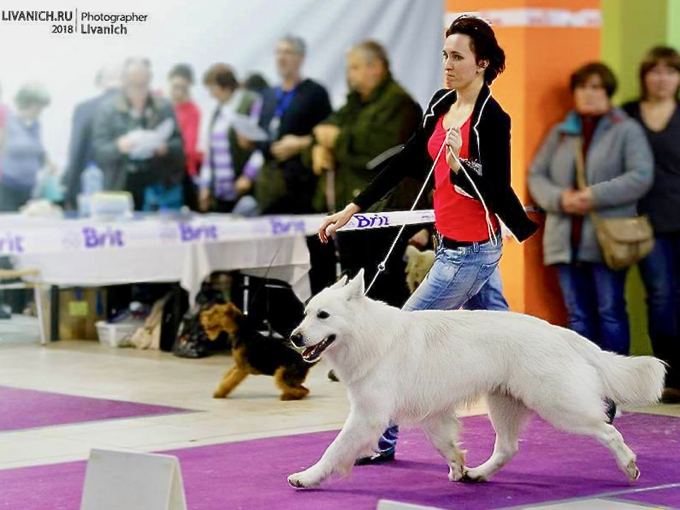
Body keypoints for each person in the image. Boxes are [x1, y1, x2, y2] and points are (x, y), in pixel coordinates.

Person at [318, 15, 537, 464]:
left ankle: (380, 441)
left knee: (398, 341)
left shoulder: (492, 119)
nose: (448, 65)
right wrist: (354, 206)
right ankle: (597, 393)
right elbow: (406, 159)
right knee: (518, 341)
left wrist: (463, 167)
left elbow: (498, 186)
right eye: (446, 56)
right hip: (451, 244)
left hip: (472, 252)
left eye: (458, 57)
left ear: (482, 64)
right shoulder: (440, 102)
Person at [529, 62, 653, 357]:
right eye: (582, 87)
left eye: (596, 87)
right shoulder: (561, 133)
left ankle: (616, 386)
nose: (588, 94)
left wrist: (592, 196)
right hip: (563, 239)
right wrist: (561, 199)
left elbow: (640, 175)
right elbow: (536, 175)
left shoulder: (626, 130)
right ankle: (586, 383)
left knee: (609, 310)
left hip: (606, 240)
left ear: (608, 91)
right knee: (577, 315)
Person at [311, 40, 422, 307]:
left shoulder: (400, 104)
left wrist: (336, 141)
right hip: (348, 209)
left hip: (382, 210)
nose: (350, 75)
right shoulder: (355, 102)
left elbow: (378, 153)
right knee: (349, 284)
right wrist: (319, 147)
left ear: (377, 67)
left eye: (356, 68)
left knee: (380, 286)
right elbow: (327, 127)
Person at [623, 46, 680, 404]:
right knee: (660, 299)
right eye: (655, 71)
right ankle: (670, 377)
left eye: (670, 71)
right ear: (644, 76)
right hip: (645, 225)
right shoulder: (627, 115)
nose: (662, 78)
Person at [252, 34, 332, 214]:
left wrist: (301, 143)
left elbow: (328, 133)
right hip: (270, 188)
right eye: (278, 52)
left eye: (287, 52)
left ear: (300, 58)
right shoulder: (268, 95)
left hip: (302, 187)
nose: (281, 57)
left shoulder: (315, 93)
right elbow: (261, 132)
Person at [92, 58, 185, 211]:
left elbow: (179, 148)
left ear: (149, 79)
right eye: (133, 82)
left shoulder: (163, 107)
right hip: (120, 186)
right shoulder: (108, 110)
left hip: (157, 186)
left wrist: (165, 148)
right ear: (124, 80)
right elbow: (99, 150)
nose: (138, 87)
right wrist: (118, 147)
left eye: (142, 82)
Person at [198, 64, 262, 213]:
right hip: (221, 193)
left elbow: (260, 144)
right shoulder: (218, 111)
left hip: (244, 188)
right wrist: (205, 185)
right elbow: (211, 152)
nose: (211, 95)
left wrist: (248, 175)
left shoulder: (251, 102)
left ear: (225, 86)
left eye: (213, 89)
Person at [62, 65, 121, 210]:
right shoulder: (137, 108)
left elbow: (76, 153)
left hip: (91, 188)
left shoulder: (84, 109)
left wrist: (70, 194)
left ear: (100, 83)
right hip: (126, 189)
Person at [0, 83, 52, 211]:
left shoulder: (35, 125)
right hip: (8, 185)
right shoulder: (7, 122)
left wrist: (48, 162)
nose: (40, 111)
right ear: (28, 104)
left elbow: (39, 148)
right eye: (38, 106)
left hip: (30, 185)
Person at [168, 64, 201, 211]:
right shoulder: (162, 107)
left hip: (183, 171)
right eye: (175, 87)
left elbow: (189, 147)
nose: (178, 92)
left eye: (183, 88)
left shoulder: (193, 111)